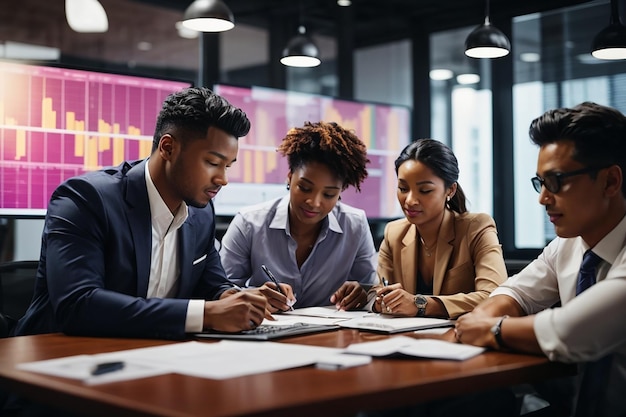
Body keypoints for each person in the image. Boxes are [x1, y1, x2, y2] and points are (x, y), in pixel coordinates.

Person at [13, 86, 290, 340]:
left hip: (148, 361)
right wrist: (206, 314)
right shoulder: (85, 199)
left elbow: (213, 286)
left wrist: (238, 299)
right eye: (212, 162)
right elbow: (79, 305)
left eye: (227, 166)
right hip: (53, 368)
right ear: (168, 148)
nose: (222, 179)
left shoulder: (200, 213)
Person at [455, 102, 626, 417]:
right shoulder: (568, 243)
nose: (543, 198)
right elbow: (516, 292)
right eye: (540, 183)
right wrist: (484, 319)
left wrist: (491, 330)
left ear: (610, 182)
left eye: (556, 181)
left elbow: (569, 332)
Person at [219, 121, 377, 310]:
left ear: (341, 191)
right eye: (305, 188)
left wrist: (362, 293)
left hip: (330, 335)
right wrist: (252, 295)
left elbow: (369, 290)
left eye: (328, 194)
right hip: (263, 333)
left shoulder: (355, 225)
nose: (314, 202)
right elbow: (220, 290)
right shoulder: (248, 223)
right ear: (289, 177)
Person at [371, 139, 507, 319]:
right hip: (405, 338)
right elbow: (377, 293)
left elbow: (496, 297)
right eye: (403, 188)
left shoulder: (476, 228)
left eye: (425, 190)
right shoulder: (394, 233)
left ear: (450, 190)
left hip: (460, 339)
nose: (410, 200)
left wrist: (420, 304)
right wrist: (381, 299)